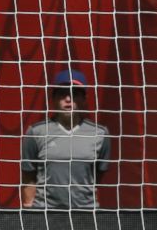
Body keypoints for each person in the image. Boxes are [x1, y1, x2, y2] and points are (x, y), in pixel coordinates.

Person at [21, 69, 110, 209]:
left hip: (85, 214)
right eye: (63, 93)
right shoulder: (36, 132)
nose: (68, 99)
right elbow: (28, 177)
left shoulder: (100, 134)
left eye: (74, 94)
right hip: (45, 212)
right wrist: (29, 214)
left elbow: (97, 176)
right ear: (53, 99)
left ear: (84, 99)